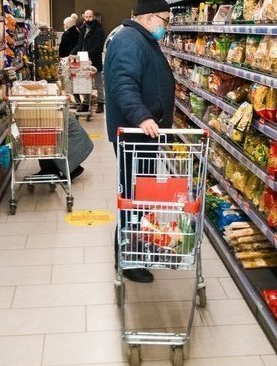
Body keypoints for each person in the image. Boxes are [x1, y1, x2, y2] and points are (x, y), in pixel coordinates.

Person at [104, 0, 173, 283]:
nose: (166, 26)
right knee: (134, 197)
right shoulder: (129, 41)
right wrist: (142, 116)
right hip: (135, 134)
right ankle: (128, 259)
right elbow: (122, 83)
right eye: (165, 20)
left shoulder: (140, 39)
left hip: (143, 135)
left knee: (140, 195)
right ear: (149, 17)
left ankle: (138, 246)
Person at [35, 114, 93, 180]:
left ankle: (50, 170)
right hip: (76, 138)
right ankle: (53, 169)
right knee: (43, 137)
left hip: (73, 140)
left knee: (42, 138)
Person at [71, 10, 106, 113]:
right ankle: (85, 104)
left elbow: (99, 46)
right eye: (86, 17)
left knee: (98, 83)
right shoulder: (82, 29)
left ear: (94, 17)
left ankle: (101, 103)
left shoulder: (99, 30)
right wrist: (72, 53)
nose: (88, 19)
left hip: (95, 60)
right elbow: (79, 44)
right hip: (83, 60)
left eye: (90, 16)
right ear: (83, 17)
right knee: (85, 82)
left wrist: (87, 54)